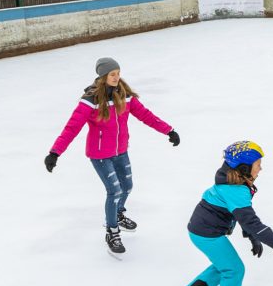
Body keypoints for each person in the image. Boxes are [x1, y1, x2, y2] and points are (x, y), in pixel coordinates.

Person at [44, 56, 178, 258]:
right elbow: (72, 128)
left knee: (127, 187)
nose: (116, 77)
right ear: (103, 76)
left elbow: (146, 115)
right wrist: (55, 152)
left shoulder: (125, 95)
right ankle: (112, 231)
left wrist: (168, 130)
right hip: (100, 155)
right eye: (112, 74)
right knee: (114, 191)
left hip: (121, 151)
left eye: (118, 73)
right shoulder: (90, 101)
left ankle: (117, 214)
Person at [176, 141, 273, 286]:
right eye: (258, 165)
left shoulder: (230, 182)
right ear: (244, 168)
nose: (261, 168)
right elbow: (250, 221)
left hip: (202, 230)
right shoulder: (235, 190)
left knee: (225, 266)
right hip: (207, 234)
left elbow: (241, 217)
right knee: (234, 269)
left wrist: (252, 236)